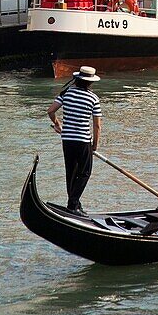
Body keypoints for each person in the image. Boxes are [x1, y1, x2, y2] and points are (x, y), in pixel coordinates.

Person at [47, 65, 102, 215]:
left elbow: (51, 111)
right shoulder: (93, 98)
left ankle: (75, 203)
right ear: (90, 82)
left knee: (70, 172)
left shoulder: (66, 93)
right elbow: (96, 126)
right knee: (85, 173)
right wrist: (95, 145)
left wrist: (59, 125)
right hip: (83, 141)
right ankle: (72, 204)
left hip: (67, 140)